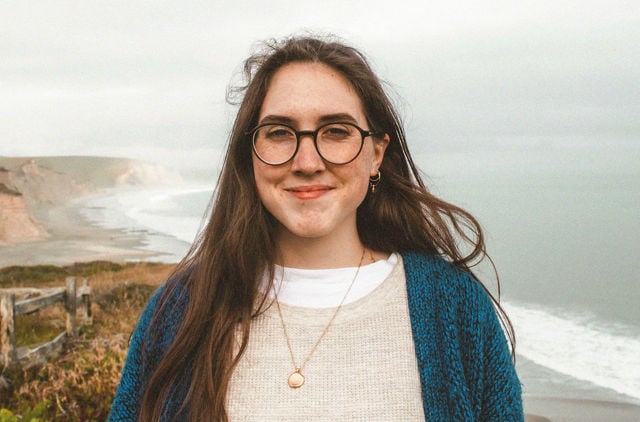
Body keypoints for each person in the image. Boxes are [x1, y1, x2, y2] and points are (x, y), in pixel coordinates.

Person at [109, 35, 523, 421]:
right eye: (279, 133)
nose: (307, 162)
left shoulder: (453, 305)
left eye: (337, 131)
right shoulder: (180, 312)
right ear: (250, 154)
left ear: (376, 154)